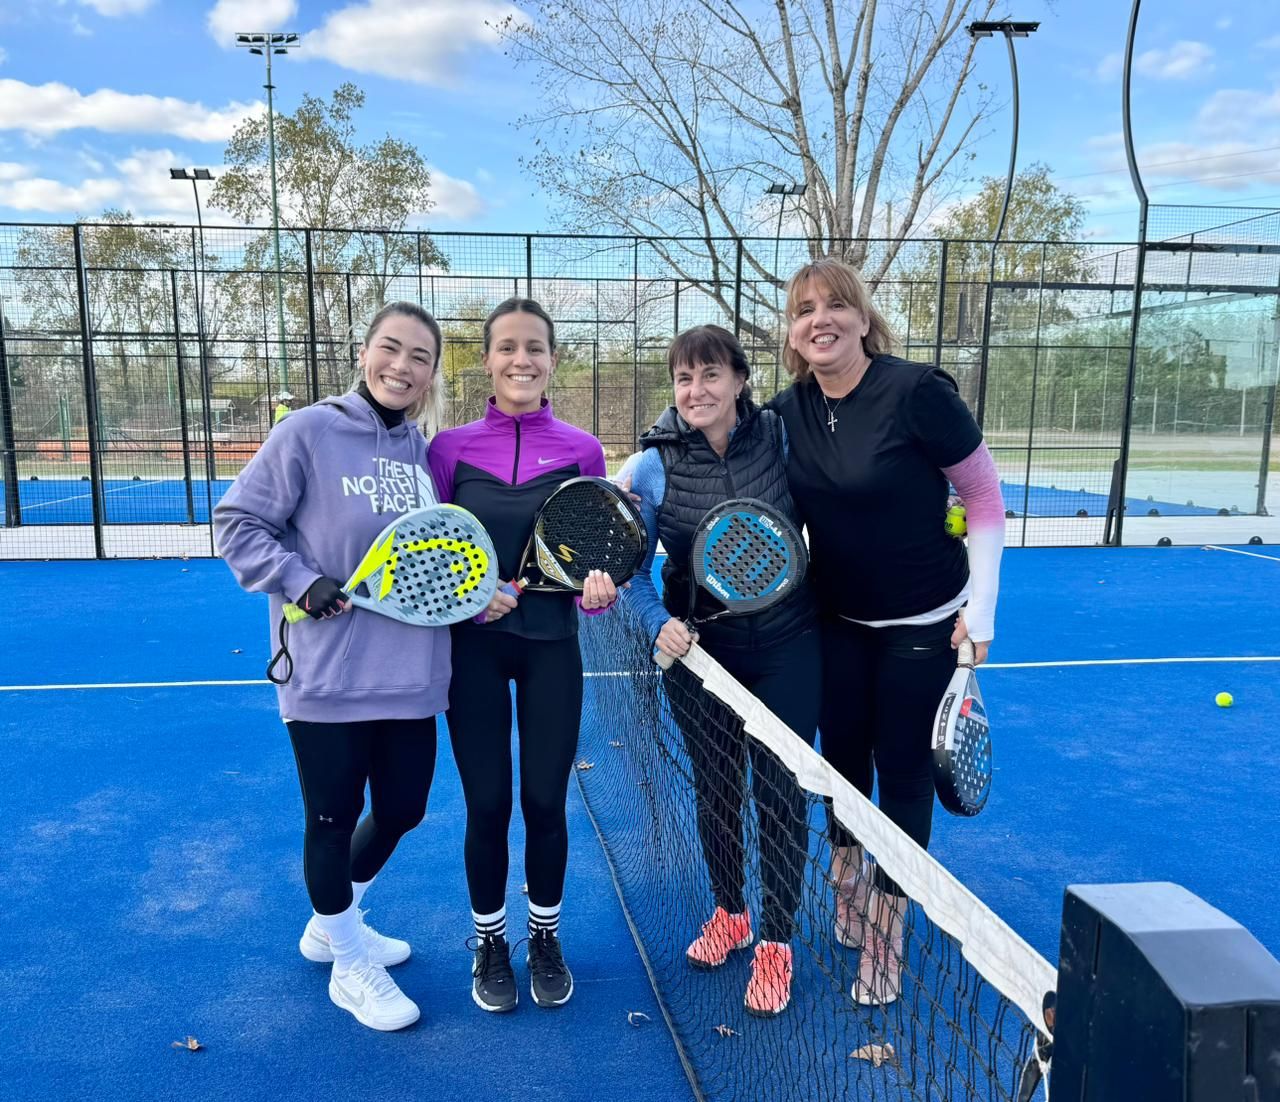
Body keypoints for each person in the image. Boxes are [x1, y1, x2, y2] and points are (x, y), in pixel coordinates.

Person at [768, 258, 1005, 1007]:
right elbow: (708, 438)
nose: (820, 319)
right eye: (804, 309)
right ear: (793, 331)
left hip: (924, 624)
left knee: (901, 773)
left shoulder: (918, 393)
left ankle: (887, 932)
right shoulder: (786, 411)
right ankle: (848, 884)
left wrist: (984, 610)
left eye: (836, 305)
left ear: (864, 318)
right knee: (839, 768)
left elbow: (984, 498)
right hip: (833, 620)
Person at [214, 302, 448, 1032]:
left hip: (410, 673)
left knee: (405, 807)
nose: (402, 367)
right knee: (331, 818)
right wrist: (297, 581)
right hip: (326, 676)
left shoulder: (424, 452)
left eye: (419, 357)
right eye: (390, 349)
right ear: (363, 352)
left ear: (432, 373)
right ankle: (349, 962)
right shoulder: (308, 432)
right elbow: (236, 522)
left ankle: (334, 923)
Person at [618, 324, 820, 1017]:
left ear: (739, 380)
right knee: (716, 790)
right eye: (683, 378)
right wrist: (659, 625)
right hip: (701, 655)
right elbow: (629, 572)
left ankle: (776, 944)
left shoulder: (782, 436)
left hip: (789, 644)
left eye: (710, 375)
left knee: (780, 793)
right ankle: (731, 913)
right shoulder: (650, 465)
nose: (695, 390)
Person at [427, 298, 617, 1014]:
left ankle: (544, 938)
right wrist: (473, 598)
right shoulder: (446, 450)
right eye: (507, 347)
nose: (521, 360)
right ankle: (489, 942)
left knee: (544, 801)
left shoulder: (582, 449)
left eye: (534, 347)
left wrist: (599, 593)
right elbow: (433, 552)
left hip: (552, 649)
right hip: (471, 652)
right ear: (486, 359)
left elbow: (594, 562)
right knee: (487, 805)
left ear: (552, 360)